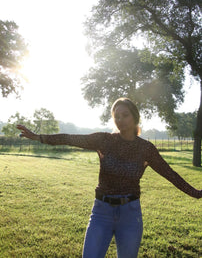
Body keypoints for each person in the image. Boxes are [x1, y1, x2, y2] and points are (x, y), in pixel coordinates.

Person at [17, 97, 202, 258]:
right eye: (116, 116)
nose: (120, 119)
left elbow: (170, 174)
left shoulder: (146, 149)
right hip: (101, 212)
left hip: (130, 215)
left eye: (125, 115)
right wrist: (38, 137)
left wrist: (197, 193)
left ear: (135, 117)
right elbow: (69, 138)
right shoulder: (104, 140)